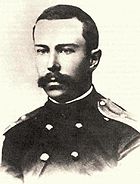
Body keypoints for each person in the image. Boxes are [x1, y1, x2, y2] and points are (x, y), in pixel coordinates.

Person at [1, 4, 140, 180]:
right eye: (42, 51)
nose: (51, 64)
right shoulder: (19, 136)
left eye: (66, 50)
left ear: (93, 60)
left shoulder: (127, 136)